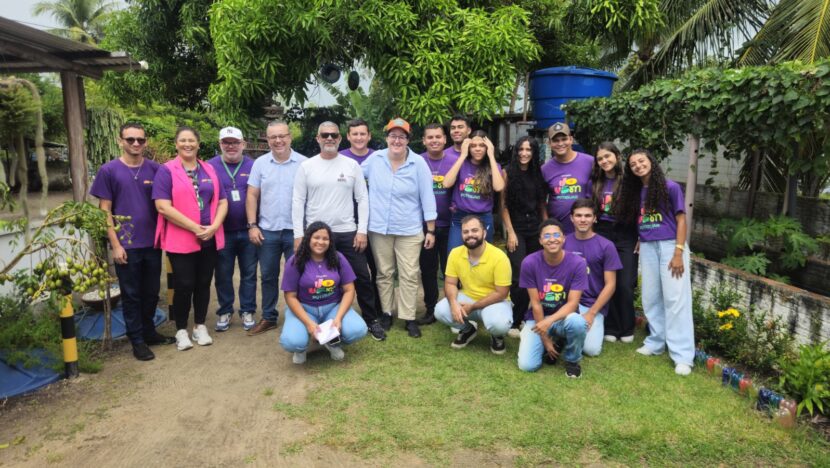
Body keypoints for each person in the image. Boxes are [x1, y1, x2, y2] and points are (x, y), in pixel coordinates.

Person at [292, 121, 387, 341]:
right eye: (324, 135)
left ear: (339, 138)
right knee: (312, 280)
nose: (329, 139)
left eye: (333, 135)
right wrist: (299, 235)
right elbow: (298, 201)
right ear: (317, 138)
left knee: (362, 277)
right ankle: (309, 322)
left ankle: (371, 319)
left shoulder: (351, 165)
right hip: (316, 235)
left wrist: (361, 231)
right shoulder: (307, 167)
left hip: (347, 231)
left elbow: (362, 199)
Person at [90, 122, 173, 361]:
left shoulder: (156, 169)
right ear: (121, 141)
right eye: (130, 140)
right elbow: (104, 210)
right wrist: (115, 245)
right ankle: (136, 340)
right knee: (131, 294)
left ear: (145, 142)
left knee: (151, 292)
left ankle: (149, 332)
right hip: (126, 245)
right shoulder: (109, 170)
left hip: (153, 243)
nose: (136, 144)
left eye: (140, 140)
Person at [615, 148, 694, 376]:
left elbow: (681, 220)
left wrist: (678, 252)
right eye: (633, 164)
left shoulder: (670, 187)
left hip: (671, 246)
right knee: (651, 297)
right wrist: (642, 237)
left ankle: (682, 356)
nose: (638, 165)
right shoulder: (636, 190)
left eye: (641, 161)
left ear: (651, 161)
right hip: (648, 247)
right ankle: (656, 342)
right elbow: (641, 219)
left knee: (675, 299)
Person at [153, 126, 228, 351]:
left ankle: (200, 326)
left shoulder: (209, 169)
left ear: (198, 143)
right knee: (184, 285)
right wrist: (195, 227)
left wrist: (214, 226)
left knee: (204, 283)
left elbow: (222, 201)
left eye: (192, 140)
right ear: (176, 144)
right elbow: (162, 207)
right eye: (183, 140)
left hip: (209, 237)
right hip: (181, 238)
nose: (188, 144)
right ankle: (181, 330)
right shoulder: (167, 171)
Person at [363, 118, 437, 338]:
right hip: (379, 228)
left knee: (409, 273)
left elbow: (427, 196)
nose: (397, 140)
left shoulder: (418, 163)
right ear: (386, 138)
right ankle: (386, 312)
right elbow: (353, 177)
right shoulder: (374, 159)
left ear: (408, 139)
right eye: (393, 136)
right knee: (384, 273)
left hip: (409, 229)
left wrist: (430, 229)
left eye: (401, 136)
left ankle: (409, 317)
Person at [246, 121, 308, 335]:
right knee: (268, 275)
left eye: (282, 136)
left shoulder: (304, 163)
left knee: (299, 275)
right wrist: (252, 225)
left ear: (290, 137)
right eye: (273, 137)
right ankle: (269, 316)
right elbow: (252, 195)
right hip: (268, 231)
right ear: (267, 139)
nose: (278, 140)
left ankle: (299, 316)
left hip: (296, 231)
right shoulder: (260, 164)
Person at [279, 222, 369, 364]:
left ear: (330, 241)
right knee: (293, 341)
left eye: (325, 239)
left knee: (358, 330)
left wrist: (338, 318)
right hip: (305, 309)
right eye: (316, 237)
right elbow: (290, 296)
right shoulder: (295, 261)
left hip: (332, 307)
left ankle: (332, 342)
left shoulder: (338, 258)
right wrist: (309, 324)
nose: (321, 242)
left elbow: (349, 289)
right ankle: (301, 348)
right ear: (308, 238)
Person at [516, 219, 588, 377]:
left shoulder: (577, 263)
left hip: (564, 317)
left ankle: (572, 361)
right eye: (547, 236)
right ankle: (554, 341)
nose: (552, 239)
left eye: (556, 234)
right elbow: (535, 303)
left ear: (563, 238)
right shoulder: (529, 263)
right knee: (527, 365)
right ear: (541, 241)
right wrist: (545, 340)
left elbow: (573, 303)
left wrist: (549, 321)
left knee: (577, 322)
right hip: (537, 318)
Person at [434, 215, 512, 354]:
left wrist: (474, 306)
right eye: (466, 232)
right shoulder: (455, 253)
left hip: (494, 302)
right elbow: (450, 283)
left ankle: (497, 336)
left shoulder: (499, 257)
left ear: (484, 233)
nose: (470, 235)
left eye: (475, 230)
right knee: (440, 310)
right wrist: (453, 303)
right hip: (467, 298)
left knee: (498, 324)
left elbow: (502, 293)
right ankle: (468, 330)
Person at [208, 127, 256, 332]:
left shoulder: (254, 165)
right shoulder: (210, 166)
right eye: (226, 142)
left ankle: (247, 309)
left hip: (248, 230)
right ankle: (225, 310)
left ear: (243, 144)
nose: (231, 146)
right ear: (220, 144)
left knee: (249, 273)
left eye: (235, 142)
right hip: (222, 231)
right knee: (223, 274)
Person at [500, 136, 548, 338]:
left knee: (535, 275)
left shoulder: (538, 172)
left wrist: (546, 229)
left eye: (529, 149)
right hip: (516, 228)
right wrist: (510, 232)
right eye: (521, 149)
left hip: (536, 229)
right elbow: (502, 205)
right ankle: (515, 319)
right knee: (519, 275)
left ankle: (530, 316)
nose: (524, 153)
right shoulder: (507, 172)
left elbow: (541, 205)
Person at [591, 142, 638, 343]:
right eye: (600, 158)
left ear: (617, 156)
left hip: (626, 234)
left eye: (608, 156)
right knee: (606, 281)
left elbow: (639, 209)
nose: (605, 161)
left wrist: (640, 237)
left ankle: (627, 327)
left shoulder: (629, 181)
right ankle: (610, 326)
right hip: (602, 232)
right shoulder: (595, 182)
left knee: (625, 283)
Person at [339, 118, 384, 330]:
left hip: (374, 223)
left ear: (369, 136)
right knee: (347, 271)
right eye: (354, 134)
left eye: (362, 134)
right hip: (346, 224)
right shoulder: (339, 159)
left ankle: (378, 311)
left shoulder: (379, 158)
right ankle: (341, 312)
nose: (358, 137)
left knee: (376, 270)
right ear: (348, 136)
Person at [565, 199, 622, 357]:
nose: (583, 219)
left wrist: (591, 313)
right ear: (571, 218)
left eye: (588, 216)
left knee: (591, 350)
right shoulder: (563, 242)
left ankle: (572, 333)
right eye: (578, 215)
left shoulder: (606, 246)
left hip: (591, 305)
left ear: (595, 218)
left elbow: (610, 285)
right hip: (566, 301)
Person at [418, 123, 457, 325]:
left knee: (451, 270)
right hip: (425, 227)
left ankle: (455, 307)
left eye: (438, 137)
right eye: (430, 137)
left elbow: (462, 186)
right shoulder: (416, 161)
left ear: (445, 139)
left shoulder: (455, 160)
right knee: (428, 269)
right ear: (424, 141)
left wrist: (456, 204)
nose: (434, 140)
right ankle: (431, 309)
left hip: (451, 225)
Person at [443, 129, 505, 253]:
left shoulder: (493, 166)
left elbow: (498, 187)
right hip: (460, 217)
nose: (477, 149)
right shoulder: (461, 163)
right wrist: (462, 155)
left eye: (482, 146)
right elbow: (446, 183)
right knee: (454, 254)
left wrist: (491, 156)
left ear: (488, 147)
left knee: (482, 256)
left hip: (483, 217)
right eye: (473, 146)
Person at [541, 122, 594, 234]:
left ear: (571, 139)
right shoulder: (545, 169)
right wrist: (547, 225)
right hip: (558, 230)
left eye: (564, 139)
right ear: (549, 143)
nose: (560, 143)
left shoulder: (590, 162)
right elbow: (541, 201)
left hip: (585, 228)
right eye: (556, 140)